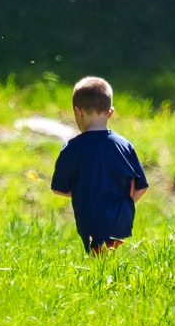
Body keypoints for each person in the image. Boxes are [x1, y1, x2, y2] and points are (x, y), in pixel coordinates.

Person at [50, 76, 149, 254]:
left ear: (78, 111)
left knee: (99, 263)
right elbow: (141, 186)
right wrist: (123, 205)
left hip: (90, 220)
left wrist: (85, 192)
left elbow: (58, 188)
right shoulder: (124, 146)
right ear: (110, 112)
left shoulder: (72, 149)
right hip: (122, 221)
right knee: (112, 260)